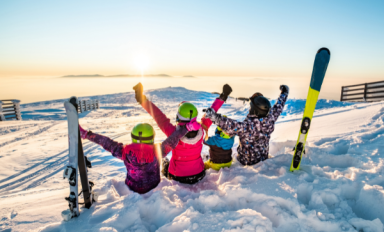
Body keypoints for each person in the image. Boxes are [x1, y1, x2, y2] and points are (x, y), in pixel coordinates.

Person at [133, 83, 232, 184]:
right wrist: (223, 96)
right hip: (198, 174)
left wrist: (142, 100)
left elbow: (158, 116)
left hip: (177, 176)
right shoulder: (202, 128)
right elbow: (212, 111)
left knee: (165, 162)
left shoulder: (173, 133)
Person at [78, 120, 199, 194]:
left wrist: (87, 135)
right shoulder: (158, 151)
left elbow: (106, 142)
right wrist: (187, 128)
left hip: (132, 187)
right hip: (154, 185)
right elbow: (173, 139)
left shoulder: (124, 151)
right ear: (151, 137)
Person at [204, 85, 289, 166]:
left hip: (246, 162)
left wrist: (214, 117)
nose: (249, 109)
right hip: (263, 158)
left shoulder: (248, 127)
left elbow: (230, 125)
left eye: (251, 107)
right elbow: (278, 107)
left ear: (254, 110)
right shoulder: (270, 119)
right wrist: (284, 93)